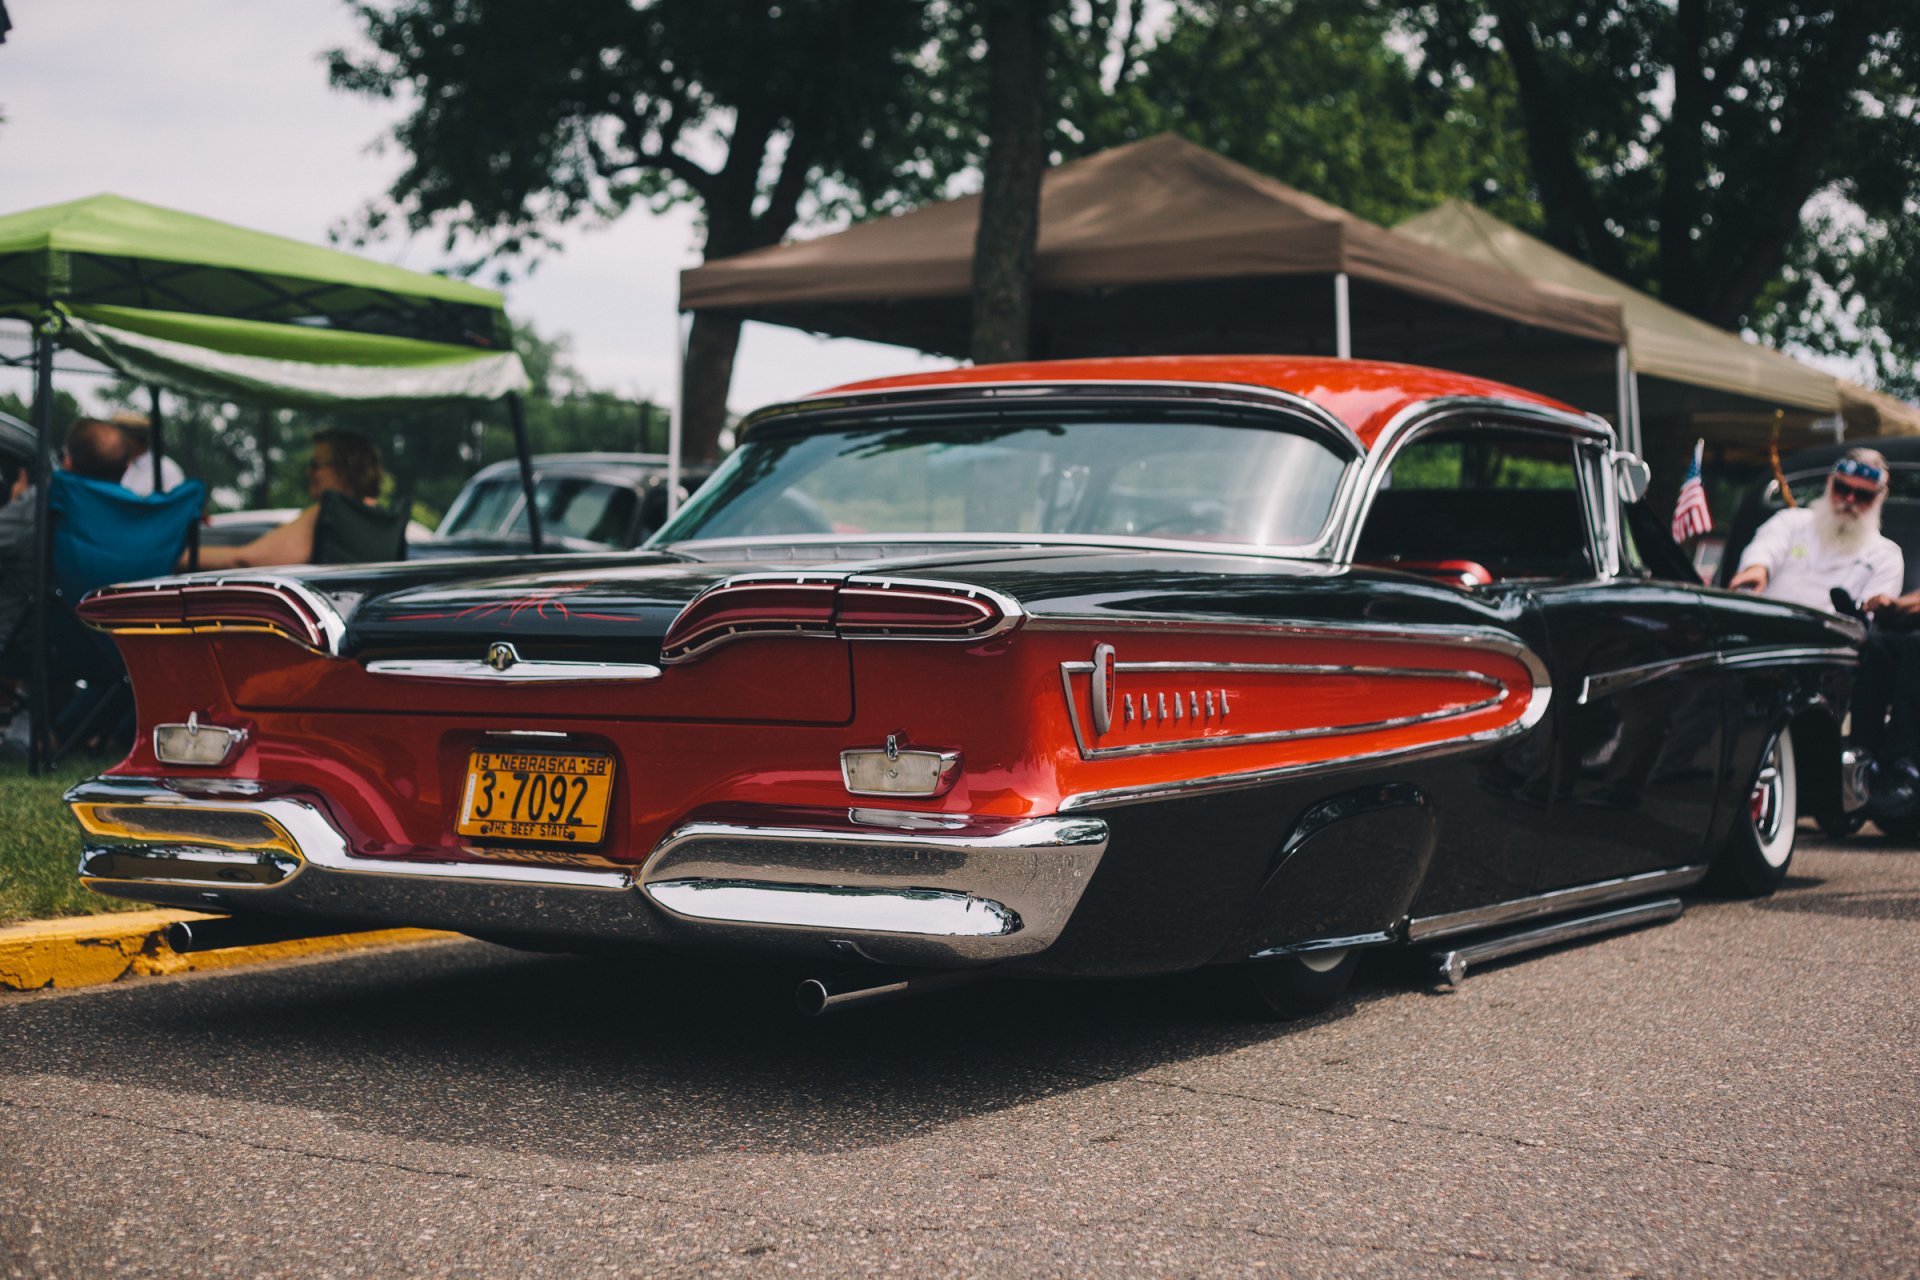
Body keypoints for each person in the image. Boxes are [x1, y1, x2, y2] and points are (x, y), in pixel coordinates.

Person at [1728, 448, 1903, 611]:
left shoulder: (1886, 557)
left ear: (1880, 497)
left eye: (1863, 495)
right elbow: (1765, 549)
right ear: (1830, 482)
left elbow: (1870, 616)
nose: (1850, 499)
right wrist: (1757, 569)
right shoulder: (1791, 521)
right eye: (1842, 489)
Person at [191, 429, 385, 569]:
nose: (309, 472)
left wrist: (181, 556)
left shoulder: (331, 514)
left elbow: (246, 559)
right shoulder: (384, 522)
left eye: (316, 464)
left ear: (346, 467)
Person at [112, 411, 187, 496]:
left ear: (133, 440)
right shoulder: (124, 467)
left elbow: (177, 503)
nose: (114, 443)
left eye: (119, 438)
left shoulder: (166, 470)